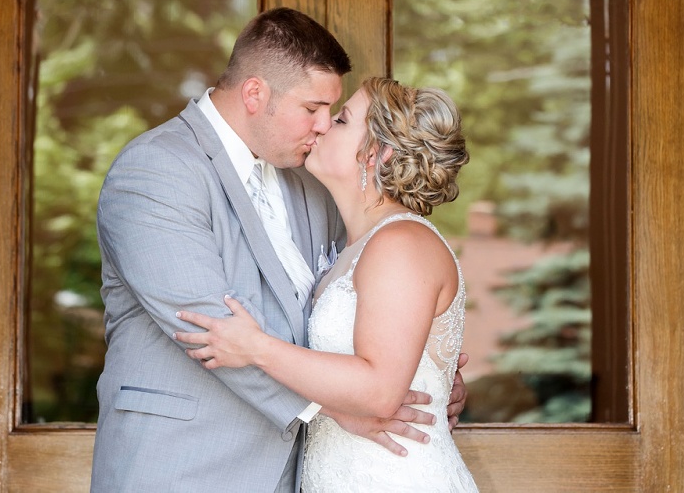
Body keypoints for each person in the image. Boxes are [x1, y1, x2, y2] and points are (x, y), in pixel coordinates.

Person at [91, 8, 468, 492]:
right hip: (182, 468)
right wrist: (333, 409)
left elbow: (383, 306)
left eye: (335, 114)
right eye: (312, 109)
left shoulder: (312, 185)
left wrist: (431, 374)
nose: (323, 126)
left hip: (301, 475)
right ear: (256, 94)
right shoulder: (156, 171)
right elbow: (207, 326)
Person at [174, 76, 479, 491]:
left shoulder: (401, 244)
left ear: (378, 153)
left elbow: (379, 391)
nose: (321, 126)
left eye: (340, 120)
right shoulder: (354, 244)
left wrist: (256, 348)